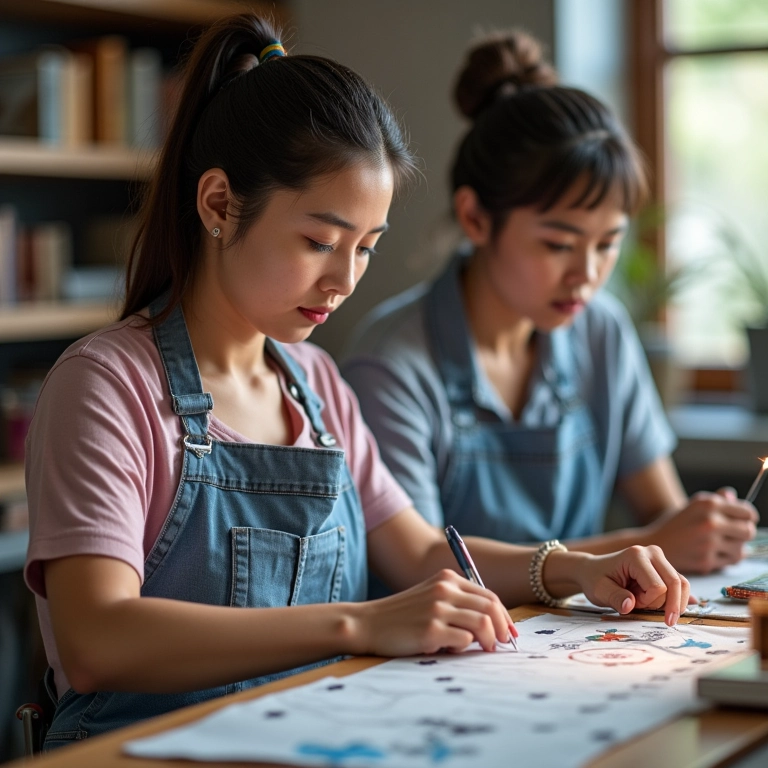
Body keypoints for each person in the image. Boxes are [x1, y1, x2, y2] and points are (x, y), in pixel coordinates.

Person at [24, 15, 690, 750]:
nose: (344, 281)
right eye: (319, 242)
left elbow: (424, 552)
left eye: (366, 248)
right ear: (217, 204)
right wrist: (362, 623)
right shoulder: (105, 385)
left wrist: (575, 567)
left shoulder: (315, 382)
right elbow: (97, 639)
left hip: (307, 738)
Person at [342, 30, 758, 580]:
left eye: (608, 243)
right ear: (475, 218)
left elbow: (662, 511)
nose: (587, 275)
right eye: (559, 244)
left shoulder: (601, 331)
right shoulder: (391, 365)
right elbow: (421, 564)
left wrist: (702, 530)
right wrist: (632, 550)